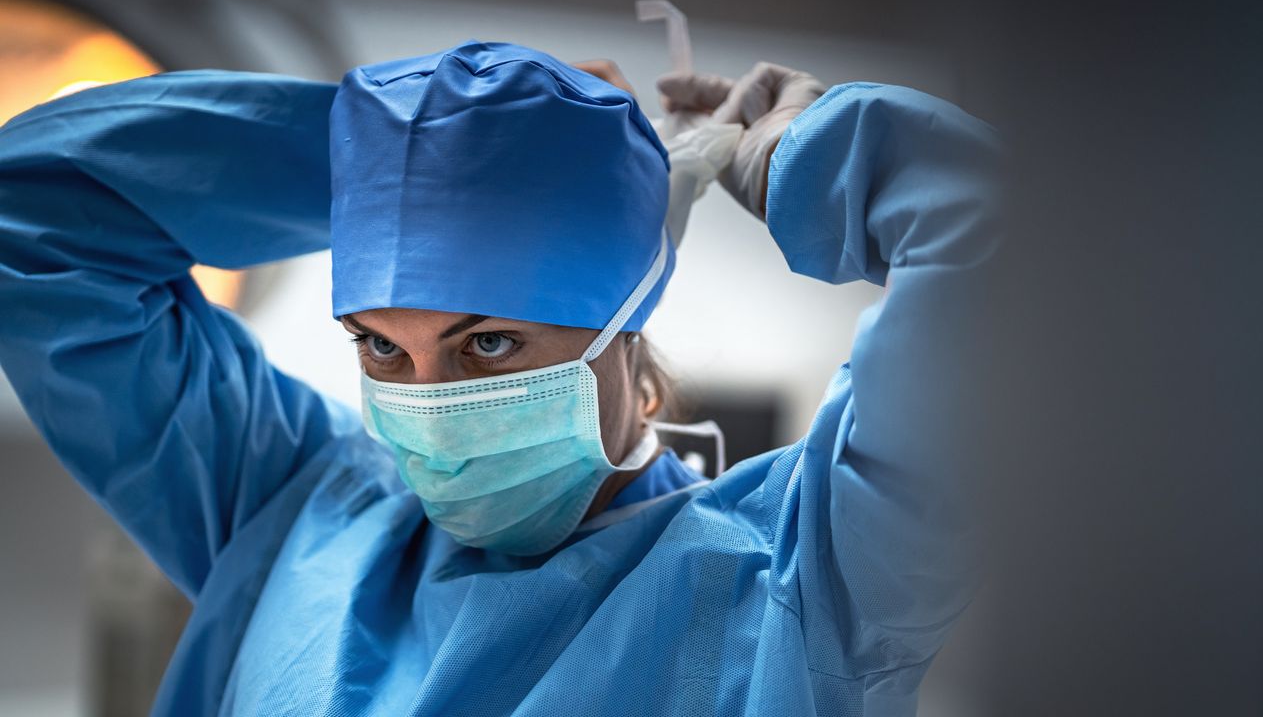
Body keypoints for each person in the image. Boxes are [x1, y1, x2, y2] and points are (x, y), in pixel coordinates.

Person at [0, 40, 998, 716]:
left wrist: (795, 155)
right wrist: (401, 157)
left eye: (485, 346)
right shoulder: (292, 504)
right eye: (381, 347)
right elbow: (30, 210)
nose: (426, 403)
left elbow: (1013, 262)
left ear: (623, 334)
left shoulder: (805, 573)